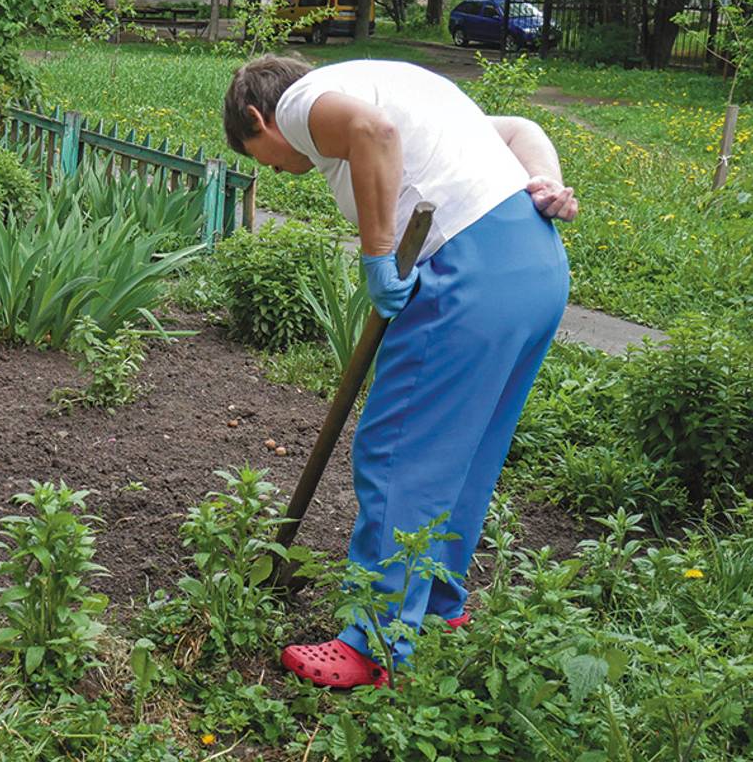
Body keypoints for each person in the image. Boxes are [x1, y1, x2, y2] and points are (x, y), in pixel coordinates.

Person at [223, 56, 576, 689]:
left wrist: (378, 256)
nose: (273, 171)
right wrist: (545, 181)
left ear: (258, 118)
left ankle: (374, 641)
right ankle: (438, 608)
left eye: (261, 156)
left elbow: (374, 135)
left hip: (469, 273)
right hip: (536, 264)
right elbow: (520, 127)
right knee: (464, 454)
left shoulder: (303, 103)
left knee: (398, 452)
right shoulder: (395, 86)